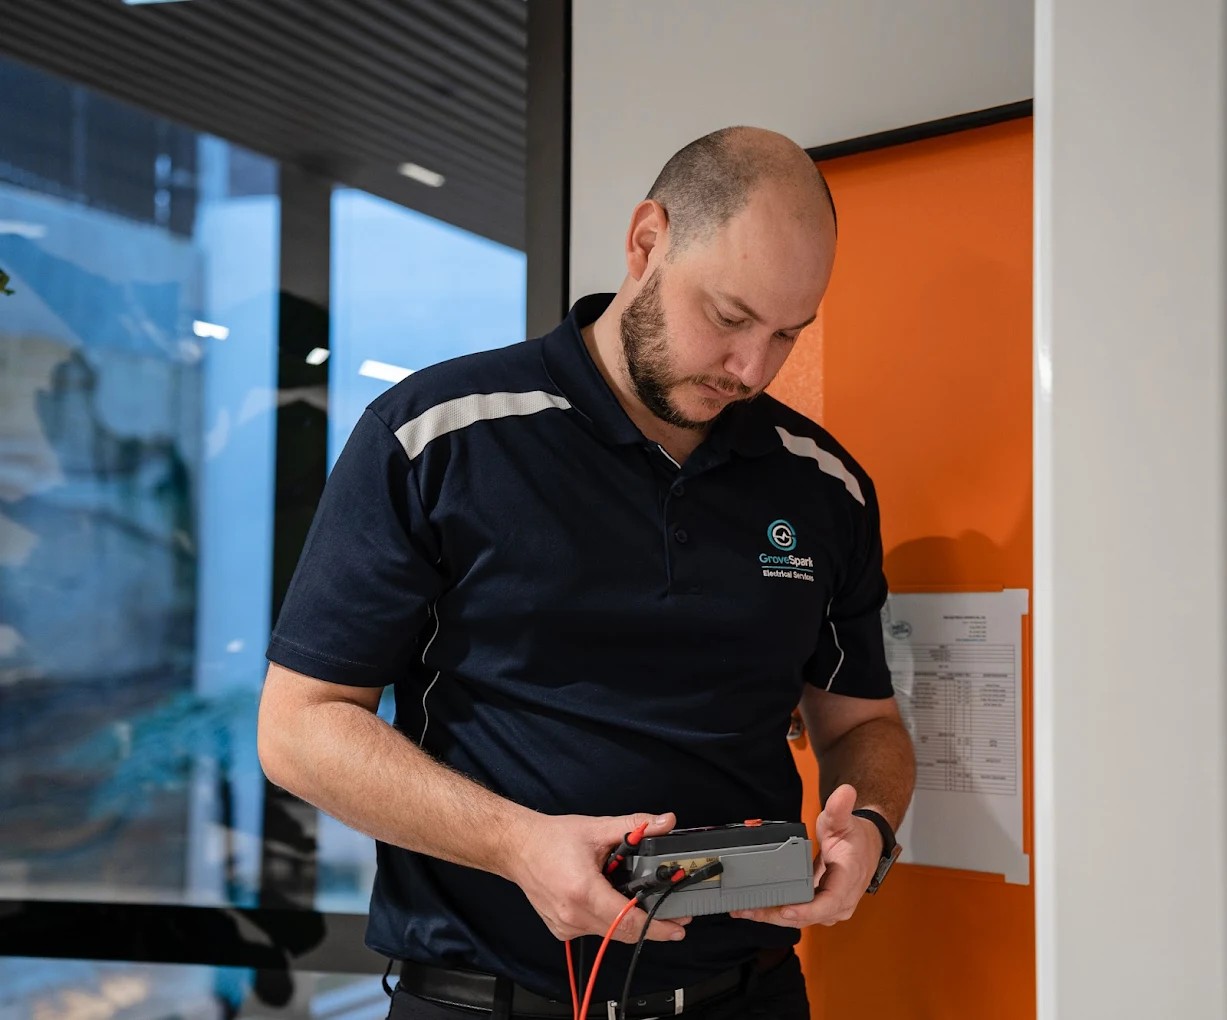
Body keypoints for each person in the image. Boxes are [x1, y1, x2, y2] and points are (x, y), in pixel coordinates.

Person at [257, 125, 916, 1020]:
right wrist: (516, 844)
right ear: (647, 241)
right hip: (485, 998)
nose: (751, 369)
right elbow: (299, 728)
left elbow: (862, 724)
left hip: (744, 998)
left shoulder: (824, 486)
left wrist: (869, 825)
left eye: (785, 336)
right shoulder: (437, 437)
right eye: (727, 318)